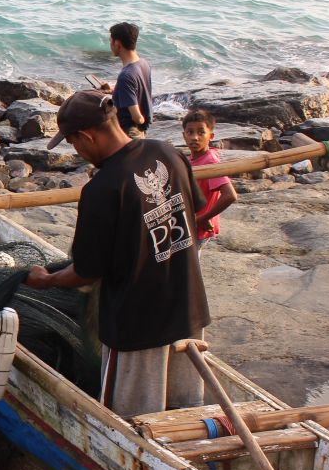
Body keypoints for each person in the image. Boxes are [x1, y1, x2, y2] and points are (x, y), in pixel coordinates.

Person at [25, 91, 210, 417]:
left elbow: (85, 272)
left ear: (86, 136)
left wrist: (47, 279)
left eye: (72, 143)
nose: (77, 151)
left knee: (131, 421)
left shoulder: (102, 189)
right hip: (190, 313)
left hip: (137, 330)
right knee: (187, 410)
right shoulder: (167, 152)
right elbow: (195, 209)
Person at [182, 108, 237, 253]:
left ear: (210, 136)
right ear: (184, 136)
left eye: (201, 132)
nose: (195, 137)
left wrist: (202, 218)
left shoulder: (210, 162)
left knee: (191, 268)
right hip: (191, 225)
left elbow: (230, 195)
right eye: (190, 132)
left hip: (198, 227)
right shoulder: (194, 159)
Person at [98, 21, 152, 138]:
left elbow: (137, 118)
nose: (110, 45)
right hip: (140, 131)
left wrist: (141, 121)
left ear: (117, 44)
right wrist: (115, 90)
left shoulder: (126, 76)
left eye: (110, 41)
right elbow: (137, 90)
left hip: (128, 133)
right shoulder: (144, 63)